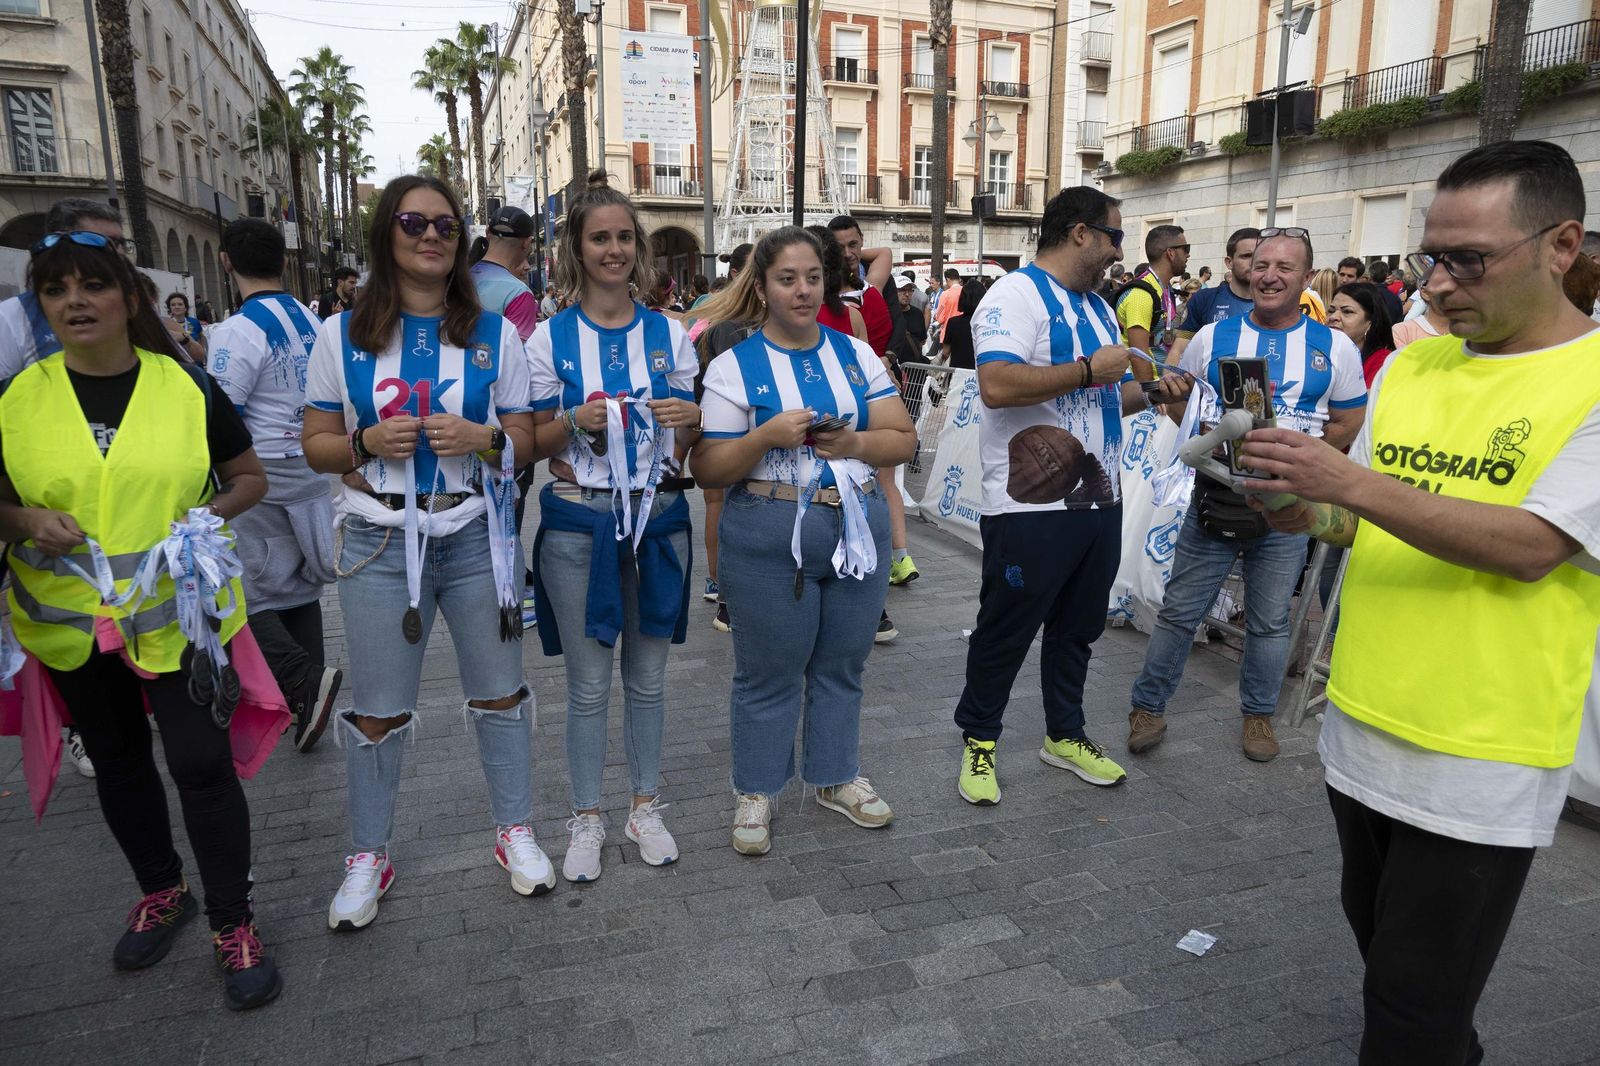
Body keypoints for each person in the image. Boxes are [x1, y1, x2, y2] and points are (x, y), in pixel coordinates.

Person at [1235, 139, 1600, 1065]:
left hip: (1482, 753)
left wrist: (1347, 485)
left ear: (1562, 246)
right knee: (1395, 973)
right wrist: (1294, 505)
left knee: (1408, 1009)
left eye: (1468, 259)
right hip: (1362, 726)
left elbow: (1533, 547)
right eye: (1430, 257)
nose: (1437, 285)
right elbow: (1355, 521)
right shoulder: (1416, 369)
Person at [0, 228, 284, 1008]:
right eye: (56, 290)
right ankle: (162, 890)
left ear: (129, 300)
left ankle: (234, 923)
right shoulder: (16, 399)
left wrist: (204, 520)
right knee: (119, 763)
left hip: (179, 619)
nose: (75, 301)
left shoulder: (186, 386)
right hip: (71, 626)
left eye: (92, 285)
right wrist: (25, 521)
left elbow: (248, 477)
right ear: (41, 306)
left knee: (201, 766)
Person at [301, 174, 546, 929]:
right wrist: (364, 442)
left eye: (445, 225)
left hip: (473, 533)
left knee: (500, 691)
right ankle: (367, 854)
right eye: (413, 223)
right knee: (377, 710)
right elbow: (314, 444)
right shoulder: (340, 335)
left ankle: (514, 830)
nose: (431, 235)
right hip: (378, 539)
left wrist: (487, 438)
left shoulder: (494, 334)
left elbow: (524, 436)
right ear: (387, 233)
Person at [952, 187, 1191, 806]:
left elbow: (1107, 395)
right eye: (1115, 236)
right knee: (1006, 629)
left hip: (1098, 499)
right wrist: (1088, 369)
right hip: (1029, 507)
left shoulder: (1099, 308)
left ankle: (1064, 735)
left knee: (1078, 630)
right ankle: (980, 739)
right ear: (1081, 233)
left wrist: (1156, 391)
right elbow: (996, 384)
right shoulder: (1014, 294)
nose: (1120, 251)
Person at [692, 225, 917, 854]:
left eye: (812, 277)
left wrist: (854, 442)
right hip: (768, 532)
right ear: (762, 287)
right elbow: (708, 470)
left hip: (857, 525)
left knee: (843, 663)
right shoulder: (735, 366)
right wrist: (763, 438)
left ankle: (835, 776)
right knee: (768, 671)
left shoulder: (855, 354)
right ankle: (757, 789)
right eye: (787, 279)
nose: (802, 290)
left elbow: (903, 438)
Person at [1125, 227, 1366, 763]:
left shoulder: (1335, 347)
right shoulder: (1213, 336)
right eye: (1261, 265)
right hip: (1217, 496)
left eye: (1284, 267)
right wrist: (1201, 434)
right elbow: (1181, 400)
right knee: (1179, 612)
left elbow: (1350, 419)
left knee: (1271, 621)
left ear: (1307, 278)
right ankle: (1147, 707)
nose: (1269, 276)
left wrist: (1304, 462)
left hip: (1288, 510)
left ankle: (1258, 715)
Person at [525, 171, 700, 882]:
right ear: (577, 248)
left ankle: (644, 807)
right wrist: (572, 420)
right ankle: (587, 816)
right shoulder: (548, 339)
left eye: (625, 237)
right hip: (578, 523)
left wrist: (689, 424)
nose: (615, 249)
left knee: (650, 681)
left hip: (659, 519)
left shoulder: (669, 334)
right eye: (600, 238)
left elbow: (687, 435)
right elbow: (529, 441)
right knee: (589, 686)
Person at [0, 197, 130, 780]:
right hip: (56, 555)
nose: (118, 256)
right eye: (105, 244)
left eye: (120, 247)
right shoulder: (12, 325)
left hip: (138, 560)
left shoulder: (133, 311)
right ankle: (78, 727)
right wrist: (27, 519)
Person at [207, 218, 343, 754]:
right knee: (298, 581)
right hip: (312, 461)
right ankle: (307, 695)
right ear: (283, 262)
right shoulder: (312, 319)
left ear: (226, 262)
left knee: (241, 587)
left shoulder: (236, 330)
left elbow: (222, 414)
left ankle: (301, 682)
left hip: (260, 468)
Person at [830, 214, 918, 597]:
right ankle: (897, 558)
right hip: (871, 391)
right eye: (839, 248)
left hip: (868, 395)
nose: (849, 253)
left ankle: (886, 561)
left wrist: (839, 252)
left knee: (872, 483)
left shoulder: (863, 293)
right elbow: (881, 253)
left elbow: (883, 251)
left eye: (854, 244)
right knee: (881, 482)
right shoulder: (865, 292)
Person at [694, 243, 760, 632]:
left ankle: (719, 583)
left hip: (728, 429)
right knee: (721, 503)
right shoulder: (726, 325)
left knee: (723, 504)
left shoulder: (718, 319)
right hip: (725, 430)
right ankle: (722, 586)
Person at [1171, 227, 1259, 363]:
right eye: (1246, 256)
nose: (1254, 262)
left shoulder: (1279, 303)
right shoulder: (1204, 299)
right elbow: (1178, 351)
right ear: (1229, 262)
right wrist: (1170, 374)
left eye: (1259, 256)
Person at [1115, 224, 1188, 372]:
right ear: (1171, 253)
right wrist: (1151, 386)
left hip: (1163, 378)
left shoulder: (1164, 288)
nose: (1188, 255)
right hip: (1145, 383)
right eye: (1186, 249)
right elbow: (1139, 357)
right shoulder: (1141, 295)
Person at [469, 205, 540, 342]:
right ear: (526, 242)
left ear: (487, 233)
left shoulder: (459, 279)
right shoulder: (519, 294)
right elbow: (518, 350)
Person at [1327, 281, 1396, 387]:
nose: (1333, 317)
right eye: (1331, 310)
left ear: (1370, 322)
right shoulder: (1315, 352)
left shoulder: (1383, 362)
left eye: (1347, 312)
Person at [940, 275, 984, 371]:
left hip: (957, 372)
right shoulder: (985, 323)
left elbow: (945, 352)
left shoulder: (953, 322)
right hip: (980, 372)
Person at [889, 275, 928, 369]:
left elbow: (921, 340)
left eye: (910, 290)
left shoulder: (917, 313)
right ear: (893, 291)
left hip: (914, 369)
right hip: (893, 368)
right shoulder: (887, 313)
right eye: (902, 290)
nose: (907, 294)